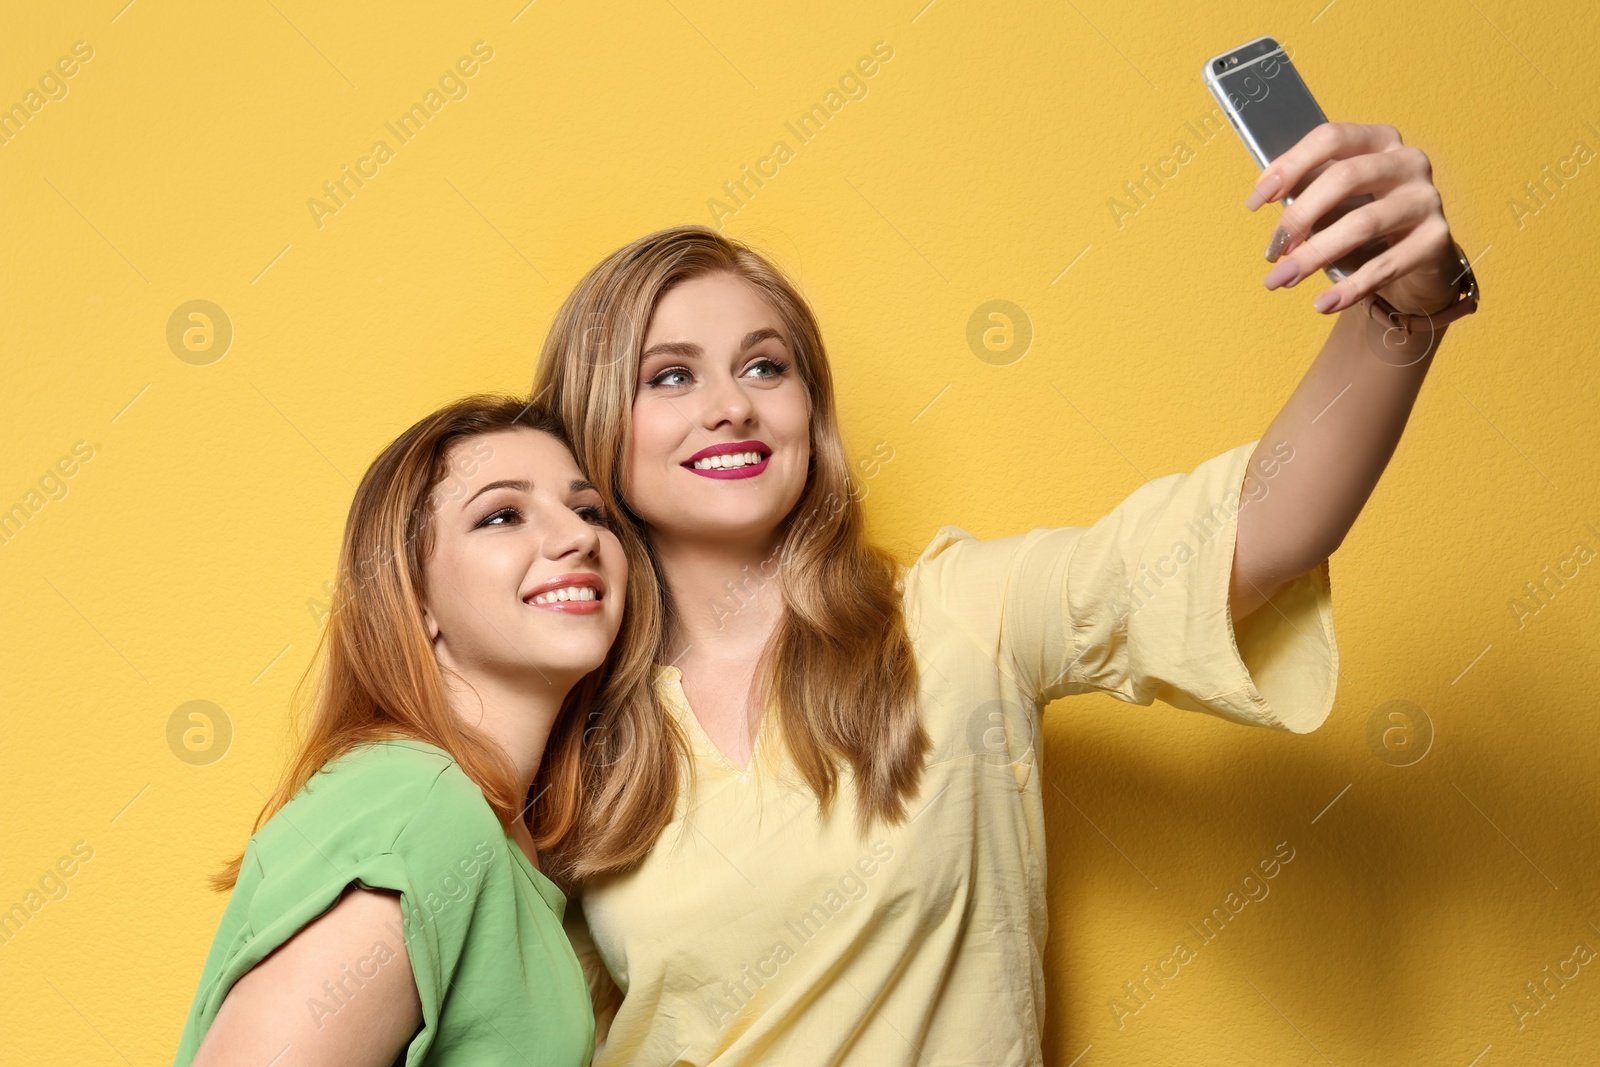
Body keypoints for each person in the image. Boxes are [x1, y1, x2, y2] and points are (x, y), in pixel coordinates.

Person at [523, 121, 1472, 1066]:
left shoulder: (957, 616)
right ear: (596, 422)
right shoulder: (572, 729)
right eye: (672, 374)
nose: (730, 403)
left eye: (766, 365)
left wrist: (1400, 313)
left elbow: (1255, 533)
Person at [171, 395, 628, 1066]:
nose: (578, 537)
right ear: (415, 598)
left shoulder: (495, 831)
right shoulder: (423, 805)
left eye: (588, 510)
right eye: (503, 514)